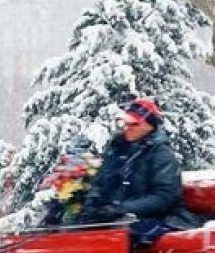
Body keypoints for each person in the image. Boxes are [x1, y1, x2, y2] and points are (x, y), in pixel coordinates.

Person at [75, 97, 200, 242]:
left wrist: (120, 209)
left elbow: (164, 198)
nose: (127, 128)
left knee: (118, 236)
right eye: (125, 123)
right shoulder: (117, 149)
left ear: (149, 126)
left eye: (134, 124)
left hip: (156, 218)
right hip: (118, 217)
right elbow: (100, 181)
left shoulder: (161, 154)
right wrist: (93, 203)